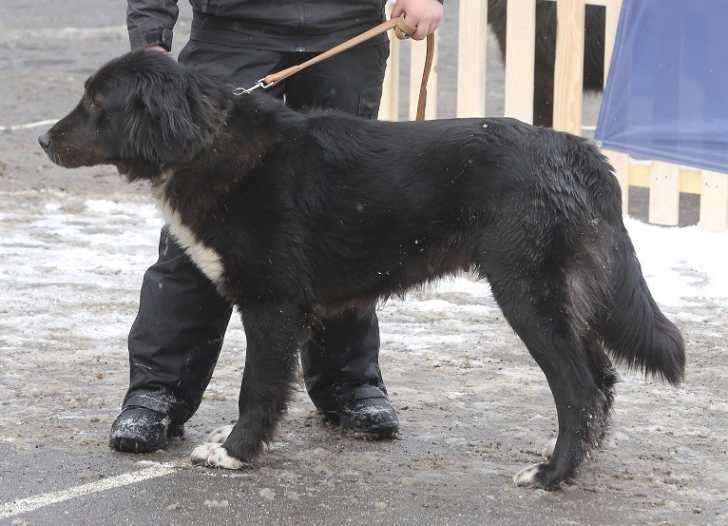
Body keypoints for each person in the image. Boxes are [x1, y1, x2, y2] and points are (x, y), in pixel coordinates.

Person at [110, 0, 444, 453]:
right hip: (231, 32)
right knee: (200, 220)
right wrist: (151, 38)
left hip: (345, 30)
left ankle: (348, 384)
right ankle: (159, 391)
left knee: (343, 222)